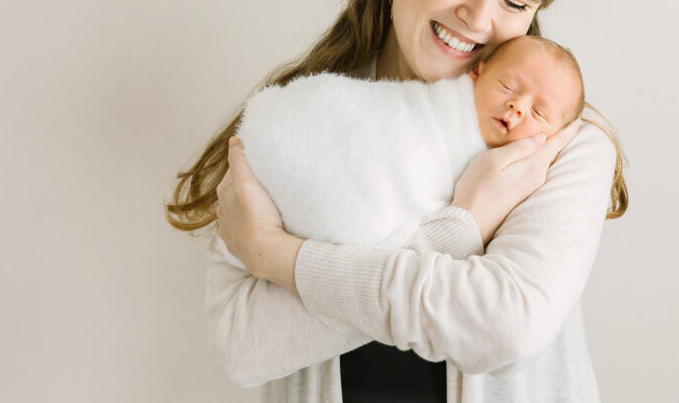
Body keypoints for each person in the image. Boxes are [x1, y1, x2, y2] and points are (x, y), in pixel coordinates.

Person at [166, 0, 628, 403]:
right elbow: (244, 345)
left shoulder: (558, 146)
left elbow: (503, 324)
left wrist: (277, 255)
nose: (480, 18)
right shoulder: (302, 128)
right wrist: (462, 225)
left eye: (516, 1)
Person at [230, 35, 586, 257]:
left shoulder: (553, 172)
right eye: (508, 86)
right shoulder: (434, 106)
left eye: (539, 112)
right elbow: (381, 126)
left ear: (555, 137)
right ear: (477, 74)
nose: (518, 106)